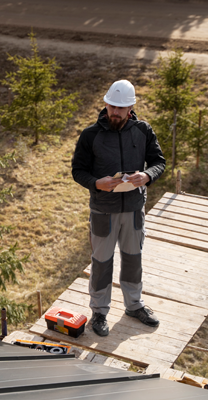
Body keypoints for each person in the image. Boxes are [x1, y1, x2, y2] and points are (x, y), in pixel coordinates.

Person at [71, 80, 166, 337]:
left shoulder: (143, 131)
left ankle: (134, 306)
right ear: (105, 104)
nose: (115, 112)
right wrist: (96, 183)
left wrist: (147, 175)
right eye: (112, 106)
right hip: (103, 211)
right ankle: (99, 311)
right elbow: (77, 171)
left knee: (133, 259)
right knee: (102, 262)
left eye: (121, 108)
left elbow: (158, 162)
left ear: (131, 107)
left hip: (134, 209)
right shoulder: (90, 135)